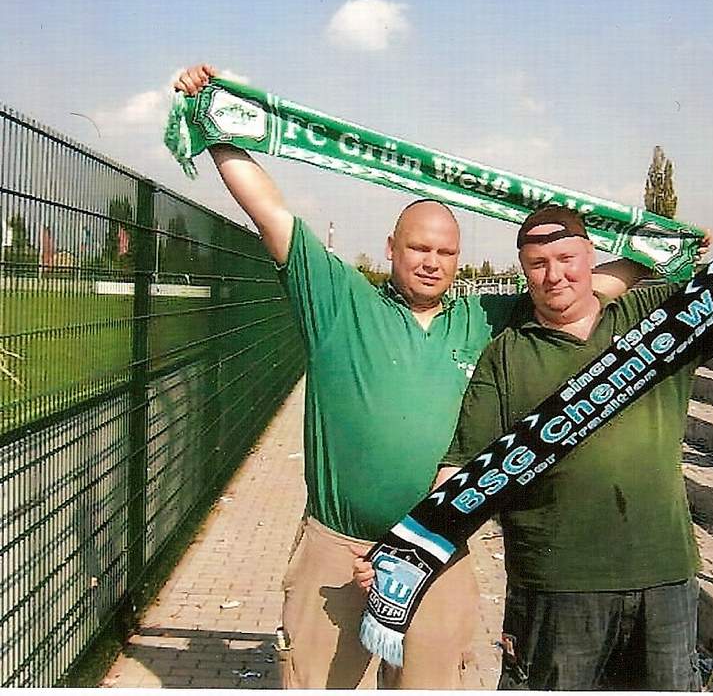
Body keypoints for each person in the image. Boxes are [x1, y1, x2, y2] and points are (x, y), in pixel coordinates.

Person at [172, 63, 674, 689]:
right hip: (338, 551)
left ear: (459, 259)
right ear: (392, 248)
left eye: (446, 252)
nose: (432, 262)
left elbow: (576, 286)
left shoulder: (484, 319)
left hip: (437, 553)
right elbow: (270, 213)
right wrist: (216, 124)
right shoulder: (339, 301)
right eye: (419, 248)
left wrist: (666, 252)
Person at [397, 159, 713, 691]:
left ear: (592, 258)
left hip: (663, 576)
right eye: (538, 264)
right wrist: (407, 552)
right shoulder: (505, 355)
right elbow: (461, 471)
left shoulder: (652, 314)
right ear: (523, 272)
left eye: (566, 259)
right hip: (554, 588)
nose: (554, 275)